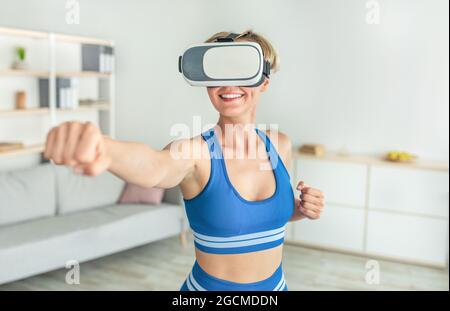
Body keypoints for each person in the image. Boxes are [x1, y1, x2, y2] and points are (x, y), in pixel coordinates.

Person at [43, 30, 325, 291]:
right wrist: (103, 148)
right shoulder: (196, 153)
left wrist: (296, 208)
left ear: (264, 81)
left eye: (240, 71)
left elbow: (260, 219)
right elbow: (154, 166)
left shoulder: (280, 145)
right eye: (217, 74)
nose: (227, 84)